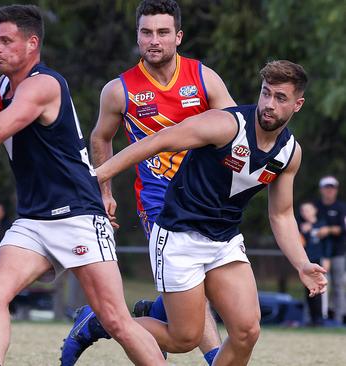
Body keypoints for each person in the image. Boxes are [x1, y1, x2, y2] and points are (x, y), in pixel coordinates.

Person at [0, 5, 166, 366]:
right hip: (34, 219)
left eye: (6, 40)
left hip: (77, 214)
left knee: (115, 319)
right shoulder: (2, 88)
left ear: (31, 43)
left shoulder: (43, 84)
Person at [75, 60, 327, 365]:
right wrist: (96, 178)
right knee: (183, 339)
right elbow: (156, 142)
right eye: (266, 93)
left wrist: (301, 264)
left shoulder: (289, 153)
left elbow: (282, 215)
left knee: (247, 331)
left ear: (298, 104)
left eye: (280, 98)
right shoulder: (226, 125)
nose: (269, 104)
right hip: (179, 238)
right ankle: (99, 323)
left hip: (224, 242)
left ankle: (107, 322)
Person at [61, 1, 233, 364]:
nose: (154, 40)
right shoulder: (119, 90)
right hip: (158, 205)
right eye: (146, 32)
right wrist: (105, 193)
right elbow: (100, 138)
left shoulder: (204, 78)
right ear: (138, 36)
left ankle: (105, 321)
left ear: (178, 36)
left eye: (163, 32)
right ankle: (215, 358)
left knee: (202, 289)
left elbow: (236, 132)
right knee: (199, 291)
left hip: (206, 202)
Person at [315, 176, 346, 324]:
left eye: (332, 188)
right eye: (326, 188)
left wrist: (328, 230)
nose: (329, 191)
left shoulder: (341, 208)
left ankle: (339, 319)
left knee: (338, 285)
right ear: (322, 190)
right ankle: (315, 319)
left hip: (337, 253)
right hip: (318, 253)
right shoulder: (316, 207)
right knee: (316, 285)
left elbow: (343, 228)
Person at [298, 201, 326, 325]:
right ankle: (312, 318)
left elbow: (327, 244)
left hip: (319, 261)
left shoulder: (322, 225)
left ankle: (321, 317)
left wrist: (327, 260)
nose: (305, 213)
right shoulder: (301, 227)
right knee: (309, 290)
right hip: (306, 263)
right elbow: (300, 244)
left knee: (321, 289)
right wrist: (303, 232)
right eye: (303, 210)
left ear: (314, 210)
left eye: (308, 210)